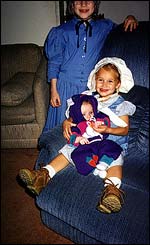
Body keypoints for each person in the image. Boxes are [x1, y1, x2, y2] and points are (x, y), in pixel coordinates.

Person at [19, 57, 136, 214]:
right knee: (69, 148)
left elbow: (125, 130)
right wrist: (68, 121)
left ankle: (111, 191)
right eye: (100, 80)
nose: (104, 85)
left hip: (112, 143)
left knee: (116, 158)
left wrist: (107, 130)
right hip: (89, 140)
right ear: (95, 81)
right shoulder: (89, 99)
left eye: (110, 81)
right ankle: (43, 175)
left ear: (118, 84)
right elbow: (78, 115)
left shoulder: (121, 104)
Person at [42, 0, 138, 131]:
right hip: (64, 87)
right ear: (71, 4)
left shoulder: (105, 26)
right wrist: (53, 90)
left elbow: (122, 30)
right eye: (78, 1)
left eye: (88, 0)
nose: (83, 4)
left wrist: (130, 18)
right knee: (62, 127)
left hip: (89, 88)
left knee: (85, 130)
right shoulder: (61, 32)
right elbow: (54, 62)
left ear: (95, 4)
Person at [60, 94, 123, 178]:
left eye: (91, 112)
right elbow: (72, 136)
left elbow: (106, 123)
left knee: (111, 145)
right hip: (87, 145)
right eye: (84, 114)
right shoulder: (79, 125)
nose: (88, 116)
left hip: (100, 142)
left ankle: (104, 163)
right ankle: (95, 169)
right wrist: (79, 138)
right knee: (77, 155)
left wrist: (102, 124)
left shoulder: (97, 119)